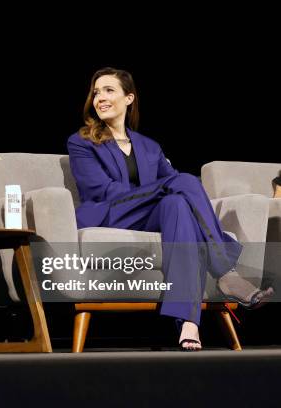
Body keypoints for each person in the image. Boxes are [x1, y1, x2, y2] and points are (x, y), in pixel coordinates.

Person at [67, 67, 274, 351]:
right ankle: (226, 271)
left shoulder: (149, 147)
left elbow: (173, 185)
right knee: (182, 184)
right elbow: (99, 190)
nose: (99, 97)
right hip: (109, 213)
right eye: (95, 92)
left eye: (108, 90)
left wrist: (160, 191)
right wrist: (155, 190)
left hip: (146, 216)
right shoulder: (82, 141)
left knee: (177, 201)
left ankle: (188, 322)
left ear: (129, 98)